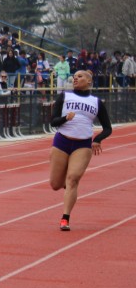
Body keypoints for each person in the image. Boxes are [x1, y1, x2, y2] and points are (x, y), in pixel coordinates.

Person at [48, 70, 112, 231]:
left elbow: (108, 128)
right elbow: (53, 122)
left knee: (73, 179)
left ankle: (65, 218)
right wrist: (65, 118)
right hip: (62, 141)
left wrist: (97, 140)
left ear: (89, 81)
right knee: (55, 184)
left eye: (80, 76)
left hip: (82, 145)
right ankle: (68, 186)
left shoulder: (96, 102)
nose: (75, 78)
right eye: (74, 76)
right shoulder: (64, 96)